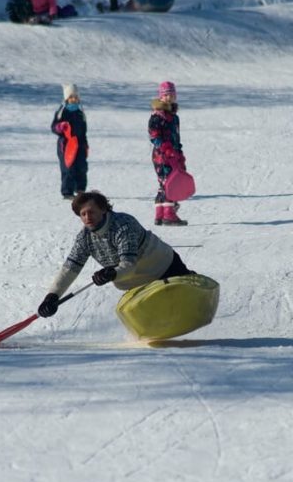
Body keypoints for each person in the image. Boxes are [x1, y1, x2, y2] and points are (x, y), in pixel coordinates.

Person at [37, 191, 194, 318]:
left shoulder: (123, 225)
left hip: (164, 267)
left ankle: (192, 287)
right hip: (135, 284)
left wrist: (111, 273)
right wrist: (52, 296)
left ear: (104, 209)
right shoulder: (84, 238)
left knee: (184, 300)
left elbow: (128, 265)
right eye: (82, 214)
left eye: (91, 212)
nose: (87, 217)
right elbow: (70, 269)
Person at [148, 80, 187, 226]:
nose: (169, 98)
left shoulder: (174, 117)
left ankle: (160, 214)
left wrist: (179, 152)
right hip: (162, 155)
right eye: (166, 95)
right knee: (170, 183)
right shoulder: (158, 115)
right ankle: (169, 215)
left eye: (172, 95)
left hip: (173, 154)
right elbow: (154, 135)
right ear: (161, 97)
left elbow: (176, 137)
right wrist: (165, 148)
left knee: (164, 184)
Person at [51, 84, 89, 200]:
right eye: (71, 97)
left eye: (76, 97)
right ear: (67, 98)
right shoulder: (62, 112)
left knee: (81, 167)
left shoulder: (80, 112)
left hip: (80, 144)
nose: (74, 99)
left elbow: (83, 130)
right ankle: (67, 191)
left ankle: (80, 189)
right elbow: (54, 127)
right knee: (68, 167)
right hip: (66, 145)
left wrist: (85, 144)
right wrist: (60, 127)